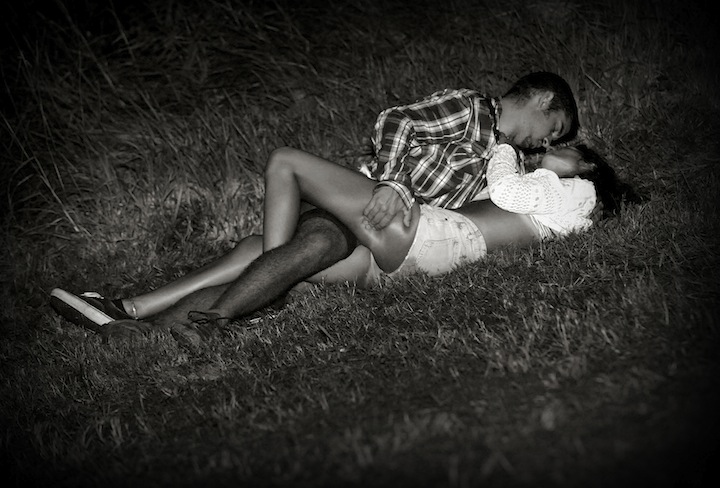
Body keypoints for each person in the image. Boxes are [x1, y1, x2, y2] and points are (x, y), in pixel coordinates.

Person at [50, 71, 579, 331]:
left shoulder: (499, 155)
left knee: (262, 255)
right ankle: (157, 306)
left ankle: (135, 317)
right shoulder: (471, 110)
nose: (546, 141)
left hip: (379, 239)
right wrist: (393, 182)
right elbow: (397, 121)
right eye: (552, 127)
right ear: (539, 99)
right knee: (292, 219)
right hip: (362, 205)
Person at [50, 141, 640, 341]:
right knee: (261, 252)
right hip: (424, 259)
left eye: (565, 147)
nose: (551, 149)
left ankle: (261, 295)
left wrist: (504, 148)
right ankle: (137, 319)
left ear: (588, 168)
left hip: (435, 237)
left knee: (286, 163)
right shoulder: (564, 208)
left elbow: (506, 187)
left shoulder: (576, 193)